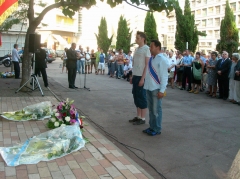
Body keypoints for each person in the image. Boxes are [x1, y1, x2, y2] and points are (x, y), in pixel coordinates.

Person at [143, 40, 168, 136]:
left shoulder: (162, 59)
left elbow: (164, 76)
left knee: (156, 110)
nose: (150, 48)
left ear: (158, 47)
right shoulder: (152, 59)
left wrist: (162, 90)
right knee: (151, 110)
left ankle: (157, 128)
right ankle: (152, 126)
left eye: (151, 46)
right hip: (149, 87)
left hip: (156, 88)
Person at [129, 31, 151, 125]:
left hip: (142, 76)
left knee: (142, 96)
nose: (136, 39)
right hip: (136, 75)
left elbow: (147, 65)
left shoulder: (147, 49)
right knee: (136, 95)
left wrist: (143, 78)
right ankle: (138, 116)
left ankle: (142, 118)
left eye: (137, 38)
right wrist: (132, 75)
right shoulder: (137, 49)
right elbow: (135, 64)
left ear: (143, 39)